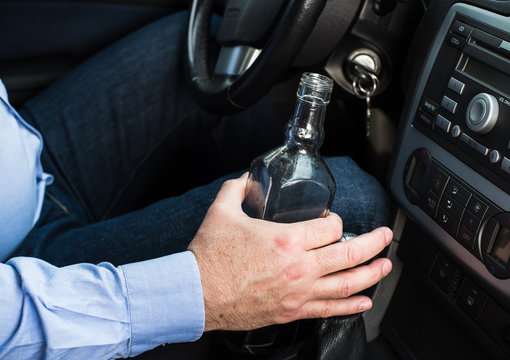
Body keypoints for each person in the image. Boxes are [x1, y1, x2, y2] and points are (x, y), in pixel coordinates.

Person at [0, 10, 392, 360]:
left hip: (28, 153)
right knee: (352, 203)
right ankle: (252, 329)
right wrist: (208, 291)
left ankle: (259, 305)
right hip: (26, 267)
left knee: (212, 57)